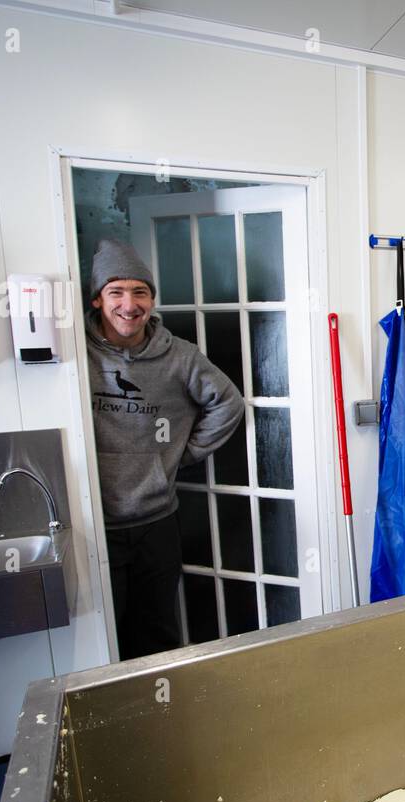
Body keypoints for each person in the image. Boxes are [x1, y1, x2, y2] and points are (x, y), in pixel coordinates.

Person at [85, 239, 245, 659]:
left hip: (156, 520)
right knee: (103, 639)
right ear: (98, 299)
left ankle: (161, 709)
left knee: (157, 633)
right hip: (96, 526)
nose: (128, 304)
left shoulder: (179, 357)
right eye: (116, 292)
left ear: (152, 300)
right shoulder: (76, 354)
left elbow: (228, 403)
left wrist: (180, 455)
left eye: (140, 292)